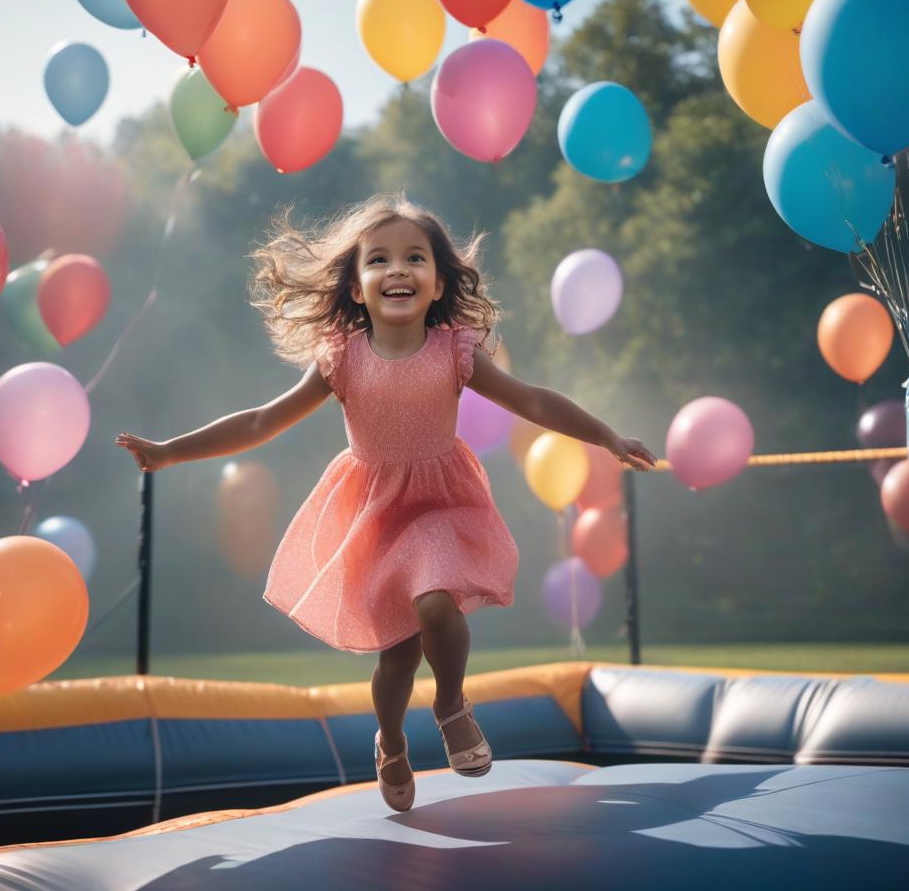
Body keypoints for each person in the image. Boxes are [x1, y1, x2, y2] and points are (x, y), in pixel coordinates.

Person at [116, 195, 657, 812]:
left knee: (436, 600)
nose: (397, 270)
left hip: (443, 503)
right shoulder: (341, 357)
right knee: (395, 661)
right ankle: (392, 742)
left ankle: (451, 705)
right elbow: (261, 422)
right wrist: (168, 451)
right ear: (355, 287)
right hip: (375, 513)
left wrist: (607, 437)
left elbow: (532, 401)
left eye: (414, 258)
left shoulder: (454, 352)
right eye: (379, 260)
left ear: (438, 282)